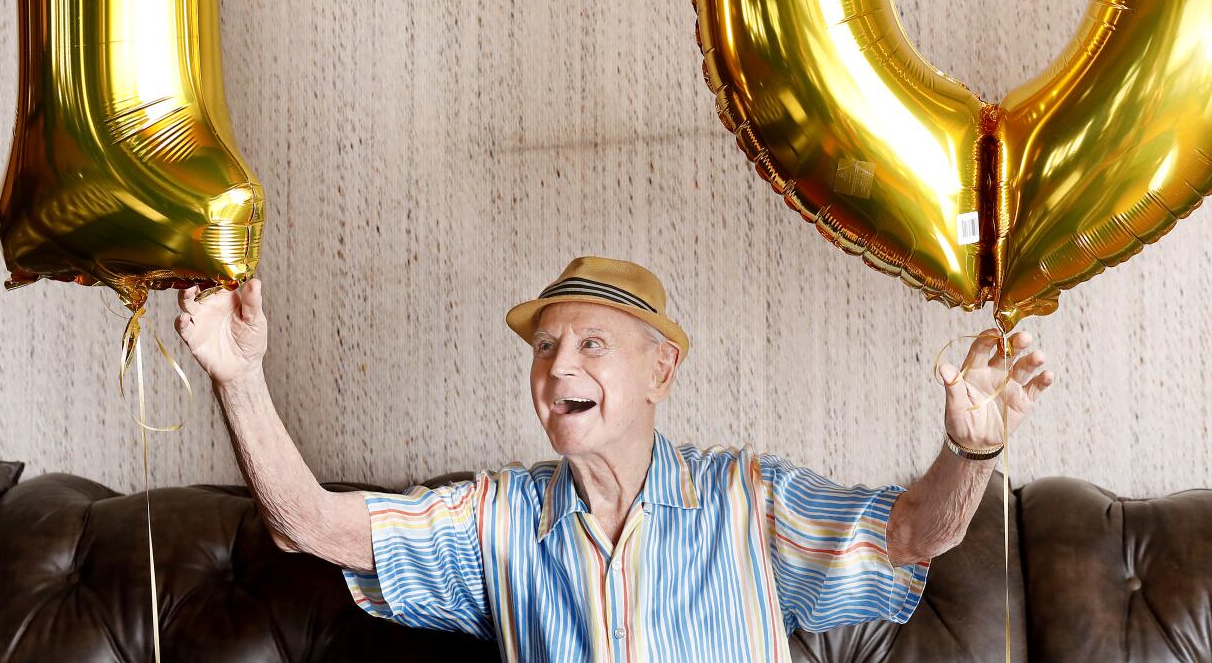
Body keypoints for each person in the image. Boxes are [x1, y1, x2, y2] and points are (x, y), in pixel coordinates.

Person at [176, 255, 1054, 661]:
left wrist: (970, 445)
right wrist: (240, 377)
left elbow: (912, 532)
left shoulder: (750, 500)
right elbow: (305, 523)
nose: (559, 367)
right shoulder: (499, 518)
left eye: (593, 343)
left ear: (659, 370)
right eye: (546, 347)